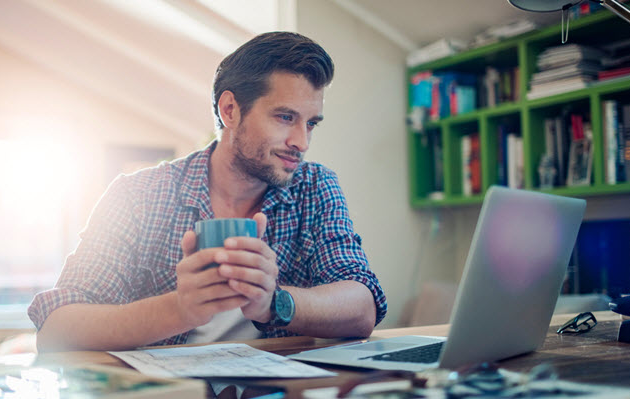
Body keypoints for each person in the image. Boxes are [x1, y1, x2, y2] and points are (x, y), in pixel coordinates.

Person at [29, 31, 387, 352]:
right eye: (285, 117)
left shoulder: (315, 187)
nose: (301, 141)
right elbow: (57, 328)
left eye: (311, 123)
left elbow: (362, 306)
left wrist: (274, 303)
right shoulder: (137, 195)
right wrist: (180, 309)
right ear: (230, 110)